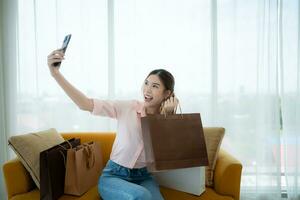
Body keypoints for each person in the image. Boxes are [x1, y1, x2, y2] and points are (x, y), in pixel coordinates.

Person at [47, 49, 179, 200]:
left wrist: (167, 118)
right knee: (142, 196)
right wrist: (55, 74)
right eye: (146, 83)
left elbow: (165, 158)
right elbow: (85, 104)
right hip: (114, 176)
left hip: (144, 177)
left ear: (167, 94)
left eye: (155, 86)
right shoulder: (128, 107)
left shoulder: (169, 119)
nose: (147, 90)